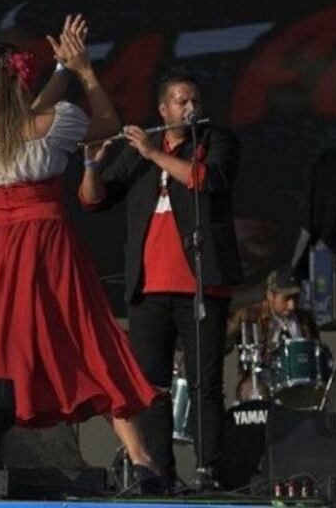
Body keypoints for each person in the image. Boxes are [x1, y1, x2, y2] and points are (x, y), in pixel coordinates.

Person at [0, 16, 165, 492]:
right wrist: (83, 71)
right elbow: (105, 125)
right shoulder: (58, 121)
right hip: (47, 244)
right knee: (86, 339)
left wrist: (62, 70)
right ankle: (142, 460)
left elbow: (26, 116)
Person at [79, 68, 242, 487]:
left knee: (206, 383)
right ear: (163, 108)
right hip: (148, 288)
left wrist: (152, 153)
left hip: (202, 283)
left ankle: (209, 471)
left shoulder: (215, 141)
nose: (191, 108)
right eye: (182, 102)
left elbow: (205, 180)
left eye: (196, 102)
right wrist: (92, 165)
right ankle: (158, 473)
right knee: (151, 387)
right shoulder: (138, 152)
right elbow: (95, 200)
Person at [226, 268, 318, 403]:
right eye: (286, 299)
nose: (292, 305)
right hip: (259, 379)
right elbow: (221, 340)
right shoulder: (249, 315)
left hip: (298, 380)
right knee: (254, 391)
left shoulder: (304, 319)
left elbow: (316, 351)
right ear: (270, 295)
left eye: (296, 298)